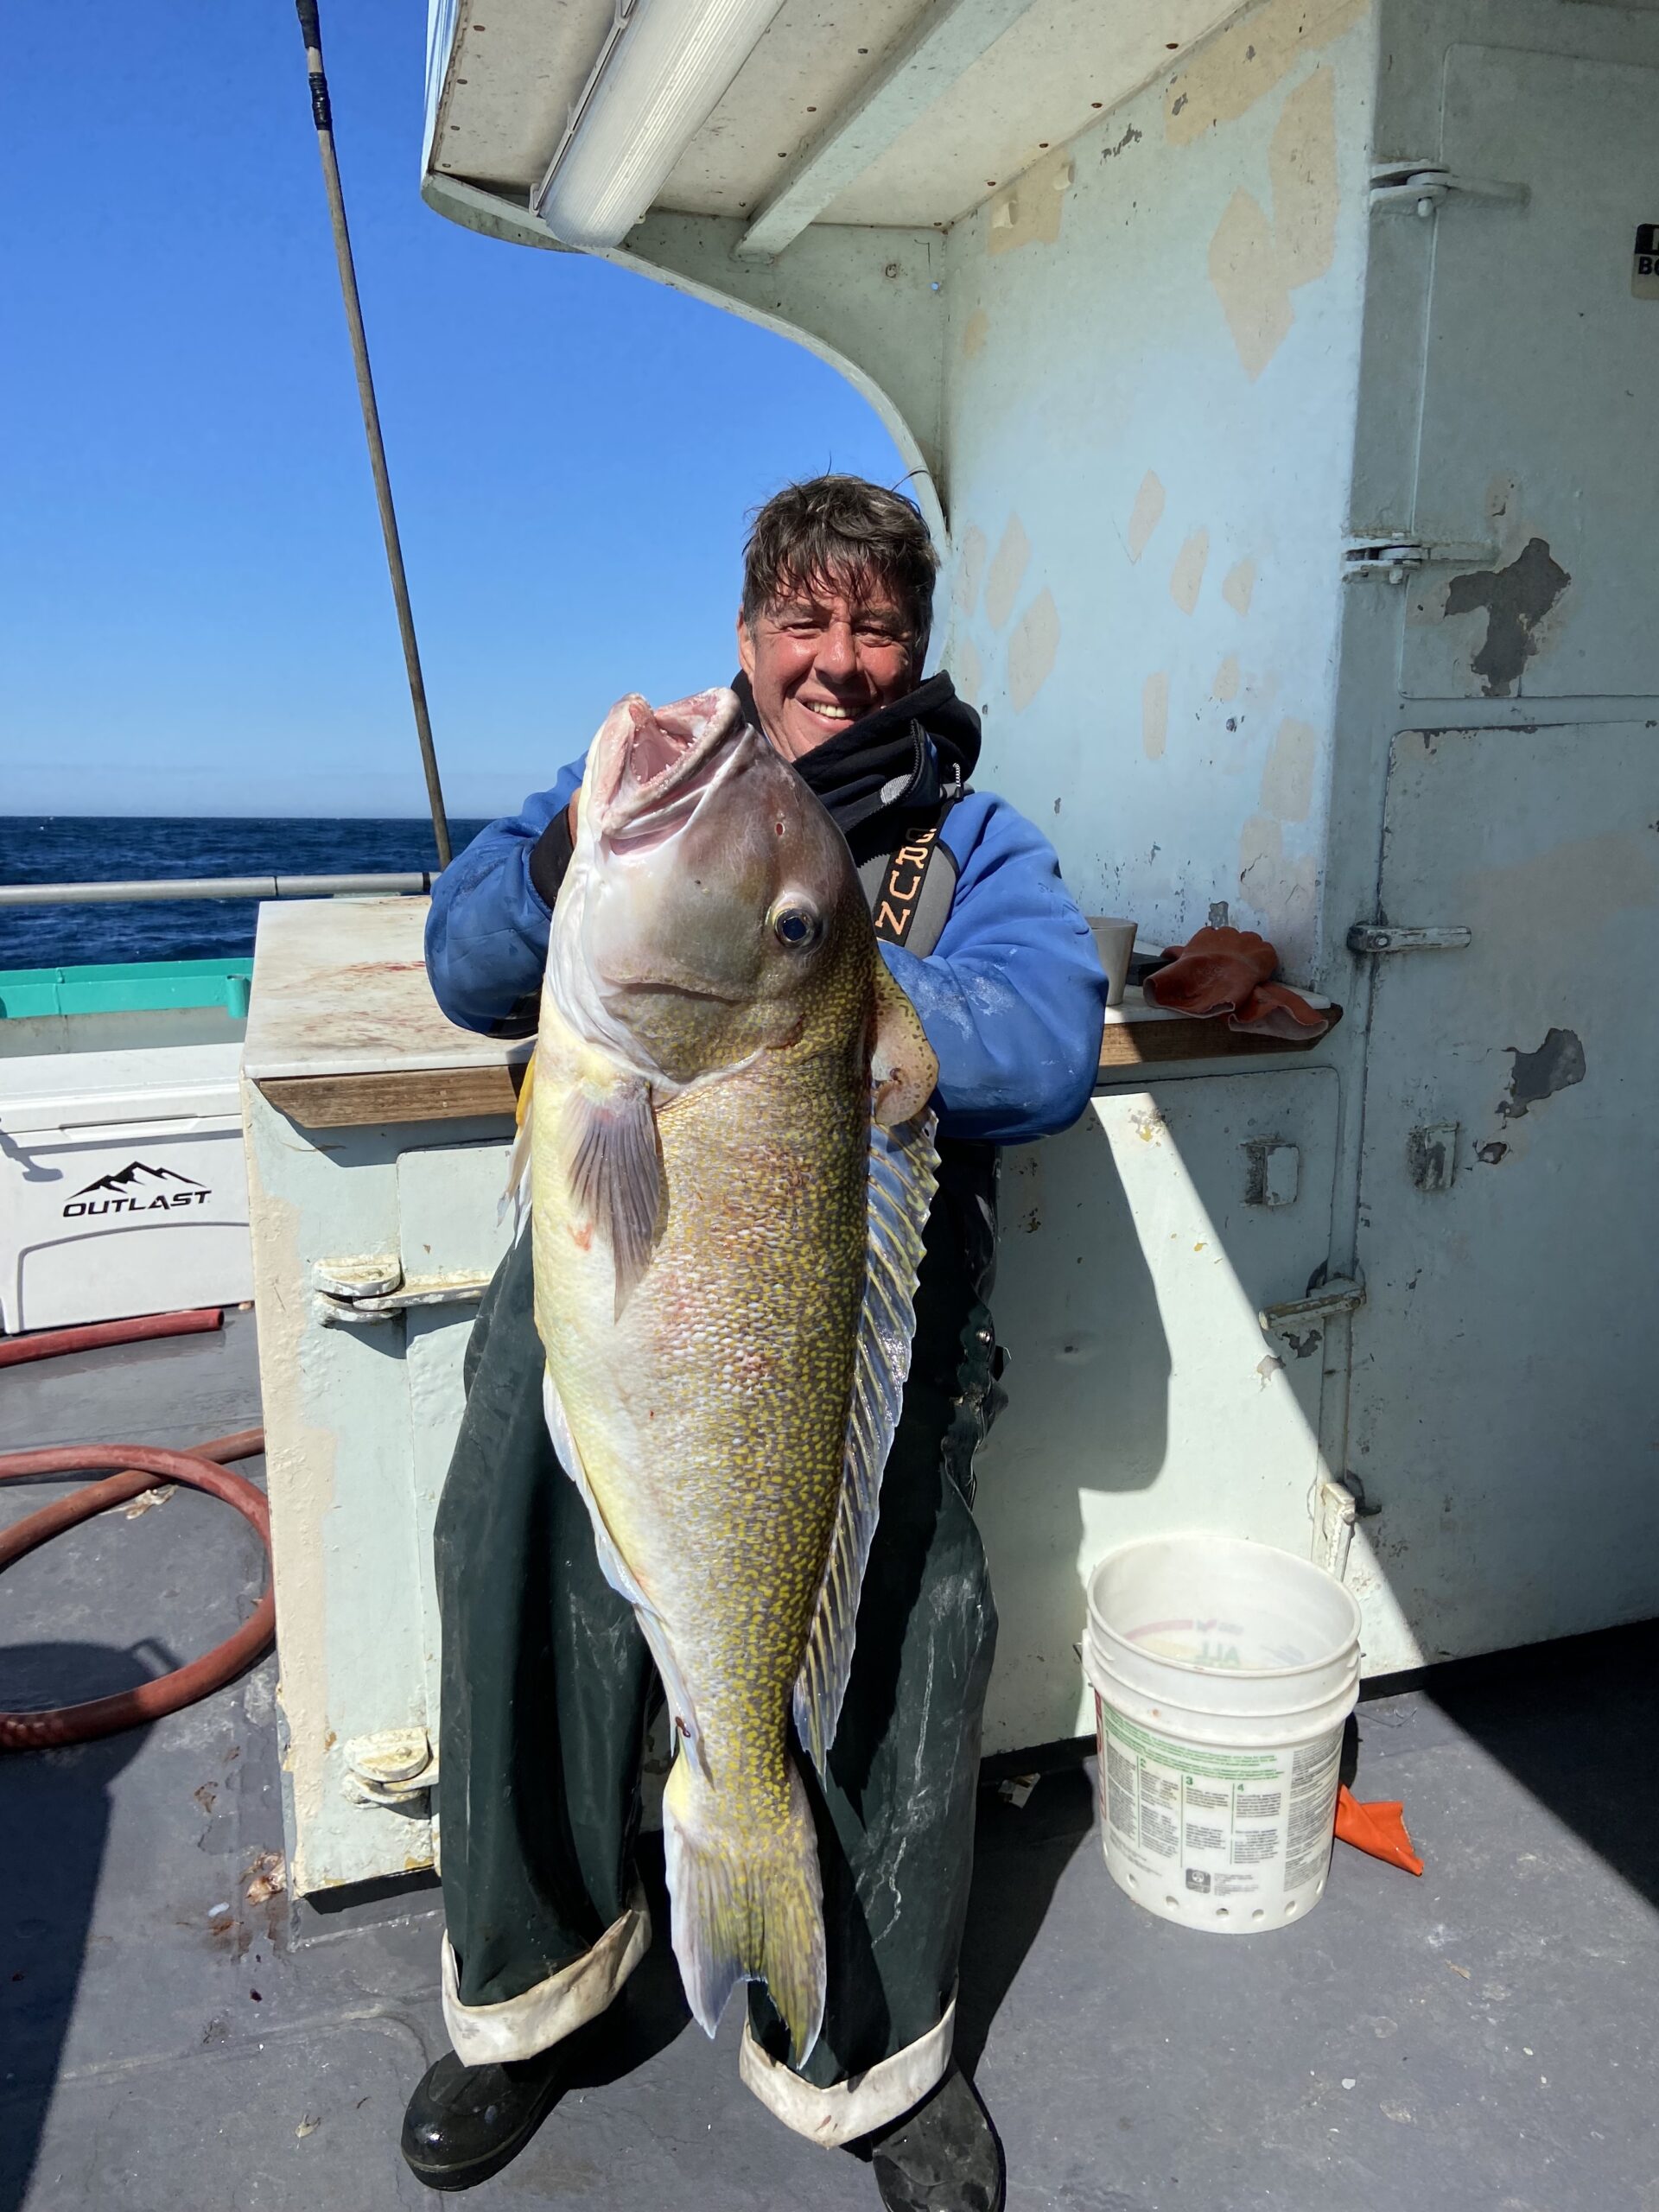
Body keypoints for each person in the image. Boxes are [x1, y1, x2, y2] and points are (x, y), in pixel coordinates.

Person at [404, 475, 1107, 2207]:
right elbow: (464, 952)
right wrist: (583, 858)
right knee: (516, 1547)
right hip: (607, 1294)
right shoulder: (648, 792)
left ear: (915, 651)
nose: (840, 659)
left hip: (861, 1335)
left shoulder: (977, 843)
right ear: (746, 633)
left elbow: (1050, 1032)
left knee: (908, 1622)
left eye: (879, 626)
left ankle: (871, 2048)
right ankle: (536, 1992)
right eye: (806, 617)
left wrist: (824, 962)